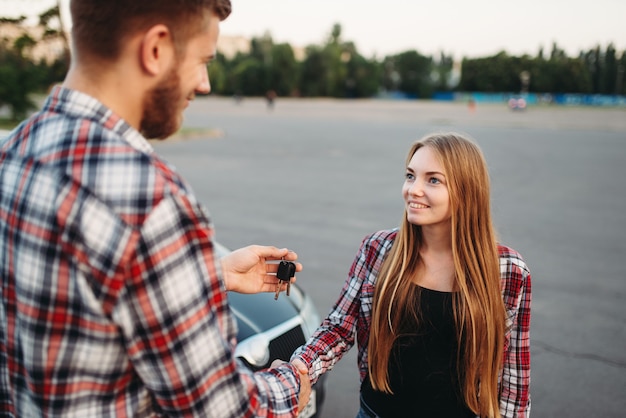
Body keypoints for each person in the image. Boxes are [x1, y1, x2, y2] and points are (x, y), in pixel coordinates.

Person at [0, 0, 311, 416]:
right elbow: (219, 408)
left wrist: (205, 278)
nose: (204, 84)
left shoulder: (14, 152)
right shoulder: (150, 199)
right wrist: (291, 387)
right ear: (157, 49)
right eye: (202, 61)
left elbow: (67, 302)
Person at [292, 132, 532, 417]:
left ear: (467, 191)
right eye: (410, 176)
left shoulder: (508, 270)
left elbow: (514, 378)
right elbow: (338, 328)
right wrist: (301, 370)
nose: (413, 189)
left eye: (433, 180)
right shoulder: (378, 249)